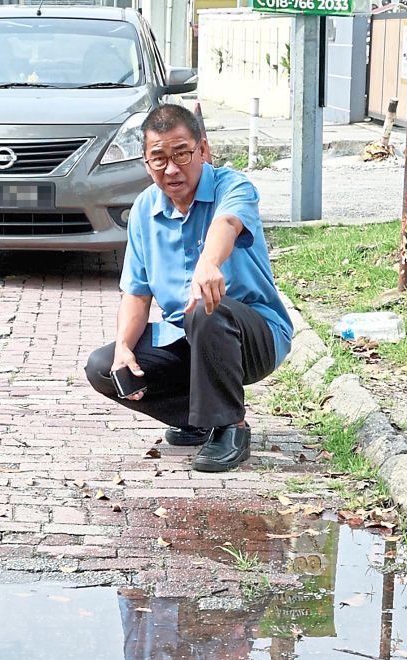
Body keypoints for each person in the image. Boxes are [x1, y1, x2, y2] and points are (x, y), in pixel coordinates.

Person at [85, 104, 293, 473]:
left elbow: (228, 223)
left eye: (182, 153)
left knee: (205, 307)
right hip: (186, 337)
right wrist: (122, 349)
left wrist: (210, 263)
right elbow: (137, 293)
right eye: (159, 158)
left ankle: (231, 426)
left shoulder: (234, 186)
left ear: (203, 150)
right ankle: (200, 418)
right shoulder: (144, 210)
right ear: (147, 165)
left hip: (252, 336)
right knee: (104, 367)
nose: (172, 167)